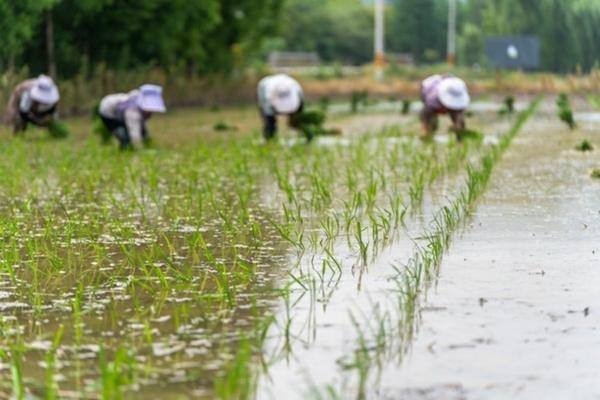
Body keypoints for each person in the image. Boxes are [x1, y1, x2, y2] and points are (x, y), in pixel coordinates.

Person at [97, 84, 166, 149]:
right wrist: (139, 148)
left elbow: (143, 129)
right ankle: (124, 151)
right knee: (124, 136)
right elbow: (134, 133)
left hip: (118, 106)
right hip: (108, 112)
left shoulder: (139, 101)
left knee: (143, 133)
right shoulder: (133, 114)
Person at [420, 74, 470, 140]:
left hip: (443, 93)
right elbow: (425, 112)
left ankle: (460, 139)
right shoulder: (432, 97)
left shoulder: (459, 89)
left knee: (460, 122)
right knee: (431, 122)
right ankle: (427, 136)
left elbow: (459, 113)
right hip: (432, 102)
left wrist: (458, 125)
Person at [257, 74, 306, 141]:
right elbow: (267, 111)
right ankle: (269, 139)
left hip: (289, 99)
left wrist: (297, 122)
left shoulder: (295, 87)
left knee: (298, 121)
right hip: (268, 97)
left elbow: (301, 104)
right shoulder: (265, 88)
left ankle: (298, 134)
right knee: (269, 123)